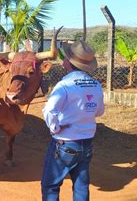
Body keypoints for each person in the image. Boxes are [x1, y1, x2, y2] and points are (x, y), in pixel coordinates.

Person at [41, 40, 104, 201]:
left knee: (51, 185)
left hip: (65, 144)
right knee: (81, 185)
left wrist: (55, 128)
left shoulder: (64, 85)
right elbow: (99, 111)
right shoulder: (96, 85)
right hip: (87, 143)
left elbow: (49, 110)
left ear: (68, 62)